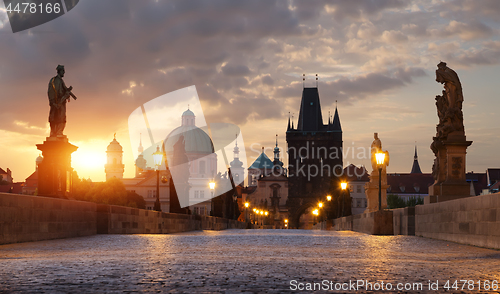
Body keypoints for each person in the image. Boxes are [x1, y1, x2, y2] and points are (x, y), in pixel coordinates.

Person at [47, 65, 74, 137]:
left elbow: (64, 90)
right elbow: (51, 91)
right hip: (56, 102)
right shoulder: (53, 80)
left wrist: (67, 92)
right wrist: (53, 102)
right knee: (55, 117)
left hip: (61, 102)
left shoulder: (60, 81)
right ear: (59, 71)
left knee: (61, 117)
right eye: (63, 71)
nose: (64, 72)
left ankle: (58, 132)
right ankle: (55, 132)